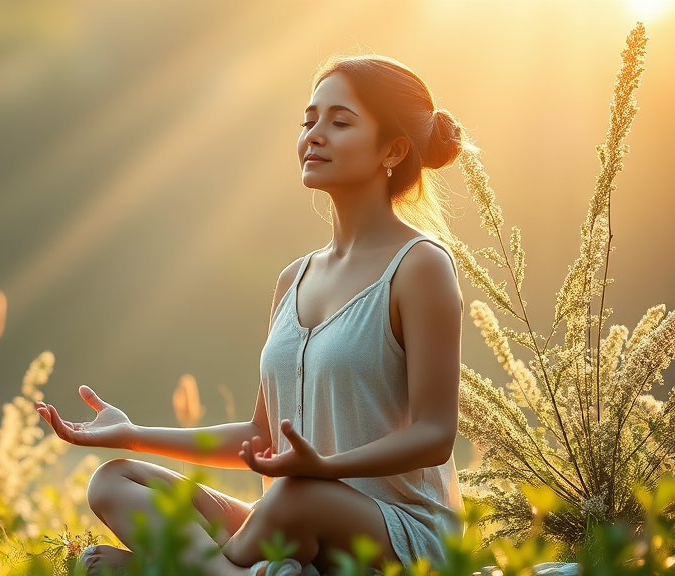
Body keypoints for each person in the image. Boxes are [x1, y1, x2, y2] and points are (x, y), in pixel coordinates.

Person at [36, 53, 467, 576]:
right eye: (309, 121)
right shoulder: (294, 278)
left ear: (393, 149)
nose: (315, 135)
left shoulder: (420, 266)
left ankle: (197, 573)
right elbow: (261, 436)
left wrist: (325, 469)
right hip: (289, 523)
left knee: (295, 496)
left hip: (399, 538)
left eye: (340, 122)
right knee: (113, 480)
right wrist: (130, 435)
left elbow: (434, 433)